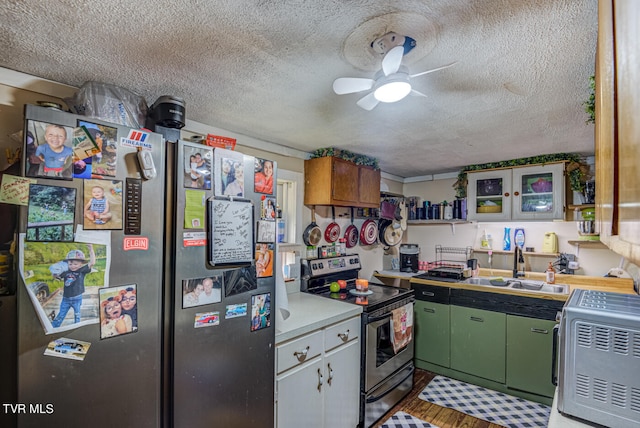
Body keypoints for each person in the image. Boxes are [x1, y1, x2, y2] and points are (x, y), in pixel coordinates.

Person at [51, 244, 95, 328]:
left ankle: (76, 327)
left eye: (75, 264)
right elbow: (56, 276)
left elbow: (92, 262)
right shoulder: (65, 272)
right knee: (61, 315)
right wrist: (54, 273)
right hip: (66, 299)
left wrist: (91, 249)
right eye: (70, 264)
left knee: (77, 315)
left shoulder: (82, 270)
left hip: (77, 298)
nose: (72, 266)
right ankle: (54, 328)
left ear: (81, 264)